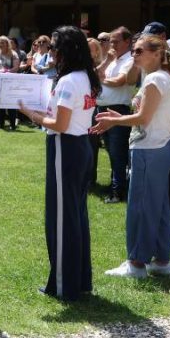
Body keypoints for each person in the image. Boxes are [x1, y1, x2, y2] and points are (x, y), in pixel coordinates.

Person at [19, 25, 99, 301]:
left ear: (66, 50)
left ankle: (65, 286)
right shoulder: (85, 76)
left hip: (66, 147)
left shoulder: (68, 81)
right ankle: (80, 280)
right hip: (80, 146)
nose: (50, 51)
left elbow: (60, 124)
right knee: (76, 216)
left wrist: (31, 114)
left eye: (54, 46)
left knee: (62, 219)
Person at [92, 34, 170, 278]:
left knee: (141, 207)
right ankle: (162, 261)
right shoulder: (159, 78)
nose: (134, 54)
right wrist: (118, 117)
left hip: (150, 150)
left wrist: (115, 120)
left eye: (139, 50)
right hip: (158, 149)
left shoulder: (155, 79)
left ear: (156, 53)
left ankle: (137, 263)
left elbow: (144, 118)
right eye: (134, 50)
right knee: (159, 207)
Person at [95, 27, 138, 203]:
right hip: (103, 109)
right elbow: (96, 73)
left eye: (116, 41)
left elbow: (120, 81)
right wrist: (106, 62)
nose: (112, 45)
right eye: (110, 41)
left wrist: (102, 79)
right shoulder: (112, 59)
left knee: (117, 153)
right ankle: (116, 187)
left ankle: (117, 192)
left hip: (118, 109)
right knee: (111, 152)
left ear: (127, 42)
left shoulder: (130, 60)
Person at [0, 36, 19, 131]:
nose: (1, 44)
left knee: (11, 103)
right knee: (0, 103)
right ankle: (0, 123)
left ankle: (12, 124)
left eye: (3, 42)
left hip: (10, 82)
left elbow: (16, 67)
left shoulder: (13, 54)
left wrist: (7, 72)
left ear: (7, 43)